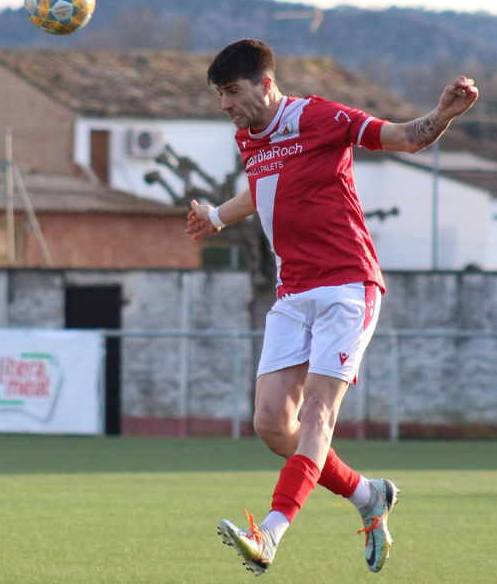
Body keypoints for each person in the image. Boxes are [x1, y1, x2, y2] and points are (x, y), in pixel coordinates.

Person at [188, 39, 478, 576]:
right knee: (274, 424)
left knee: (319, 415)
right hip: (293, 292)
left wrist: (441, 115)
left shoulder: (319, 117)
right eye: (220, 95)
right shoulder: (249, 138)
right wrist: (218, 217)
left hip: (347, 286)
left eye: (232, 91)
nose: (225, 104)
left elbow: (402, 139)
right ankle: (368, 494)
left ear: (265, 84)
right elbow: (262, 188)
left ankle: (270, 534)